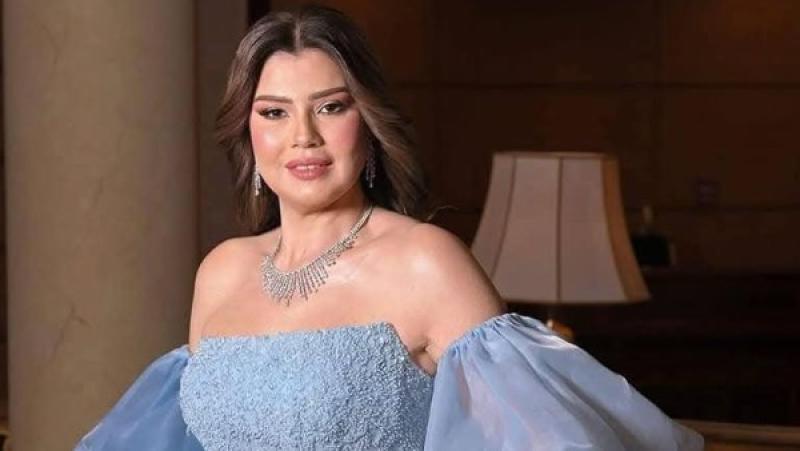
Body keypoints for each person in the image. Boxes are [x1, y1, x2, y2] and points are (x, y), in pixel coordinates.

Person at [75, 5, 703, 451]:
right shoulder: (222, 271)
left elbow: (545, 438)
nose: (303, 137)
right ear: (248, 130)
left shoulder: (426, 261)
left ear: (367, 122)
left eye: (330, 106)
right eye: (274, 112)